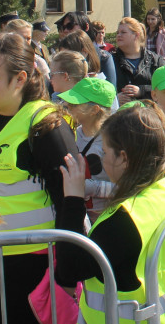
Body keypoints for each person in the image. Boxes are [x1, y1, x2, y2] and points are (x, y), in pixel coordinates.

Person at [0, 32, 78, 324]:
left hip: (35, 260)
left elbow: (69, 201)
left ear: (21, 78)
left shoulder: (46, 125)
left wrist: (68, 273)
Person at [56, 104, 165, 324]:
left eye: (106, 152)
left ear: (123, 158)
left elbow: (68, 271)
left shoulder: (125, 219)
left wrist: (72, 200)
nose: (104, 160)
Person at [56, 77, 116, 223]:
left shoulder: (114, 141)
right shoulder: (72, 134)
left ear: (94, 110)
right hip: (79, 217)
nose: (66, 107)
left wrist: (92, 188)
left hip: (106, 219)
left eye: (73, 105)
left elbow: (126, 188)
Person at [112, 17, 162, 104]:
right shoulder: (110, 61)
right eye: (117, 33)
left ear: (136, 35)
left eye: (123, 32)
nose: (118, 35)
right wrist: (114, 100)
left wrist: (142, 91)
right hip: (121, 115)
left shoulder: (155, 61)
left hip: (150, 114)